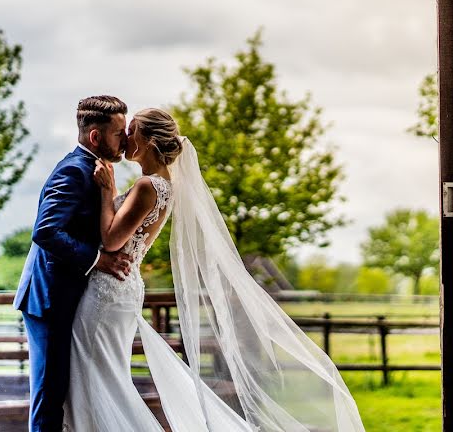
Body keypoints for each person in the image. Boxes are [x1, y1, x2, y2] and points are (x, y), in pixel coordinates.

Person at [63, 107, 365, 432]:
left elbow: (111, 240)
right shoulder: (164, 185)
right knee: (102, 375)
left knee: (93, 375)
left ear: (150, 141)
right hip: (122, 287)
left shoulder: (148, 186)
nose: (125, 138)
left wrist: (108, 190)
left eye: (132, 130)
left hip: (110, 290)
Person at [13, 95, 134, 432]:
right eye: (118, 133)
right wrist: (99, 260)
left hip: (68, 295)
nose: (125, 140)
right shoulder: (73, 170)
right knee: (50, 397)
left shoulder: (95, 169)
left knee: (61, 395)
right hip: (50, 299)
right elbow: (46, 231)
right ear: (95, 137)